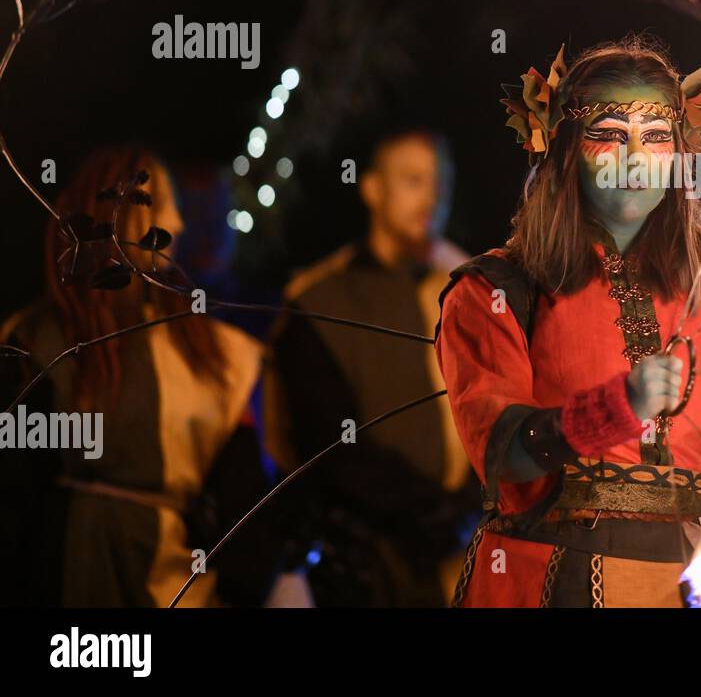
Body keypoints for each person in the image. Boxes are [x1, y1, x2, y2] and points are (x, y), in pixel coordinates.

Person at [435, 34, 701, 608]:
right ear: (563, 147)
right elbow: (501, 452)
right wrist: (613, 410)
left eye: (655, 137)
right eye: (609, 135)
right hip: (548, 583)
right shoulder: (498, 289)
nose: (634, 159)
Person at [0, 146, 273, 607]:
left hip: (177, 587)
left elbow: (245, 505)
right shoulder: (43, 341)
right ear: (110, 211)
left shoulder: (218, 356)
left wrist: (239, 588)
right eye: (160, 206)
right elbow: (14, 492)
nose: (179, 226)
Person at [266, 127, 476, 606]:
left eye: (440, 182)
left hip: (462, 553)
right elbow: (326, 444)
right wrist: (428, 510)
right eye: (412, 180)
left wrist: (471, 503)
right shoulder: (319, 300)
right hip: (365, 562)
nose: (431, 196)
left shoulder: (471, 287)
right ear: (372, 189)